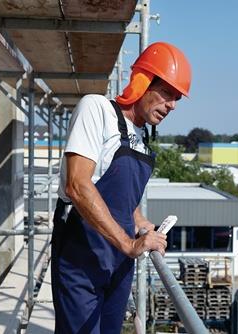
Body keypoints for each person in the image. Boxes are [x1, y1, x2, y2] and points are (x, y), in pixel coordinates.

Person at [51, 42, 192, 334]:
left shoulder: (139, 137)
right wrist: (129, 244)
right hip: (82, 257)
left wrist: (140, 224)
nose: (172, 105)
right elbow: (77, 185)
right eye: (167, 93)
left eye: (177, 98)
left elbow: (121, 196)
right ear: (142, 82)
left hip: (118, 263)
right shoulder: (96, 110)